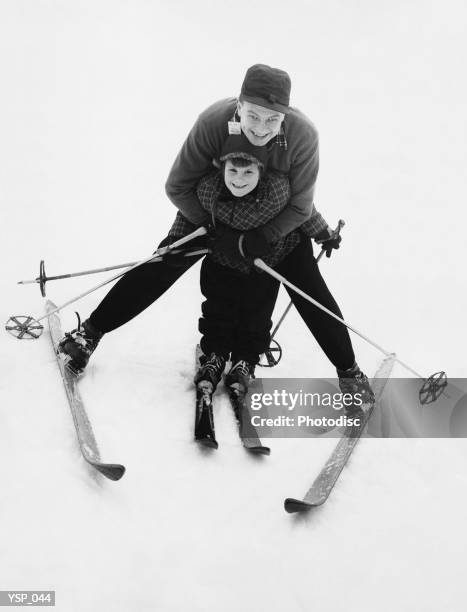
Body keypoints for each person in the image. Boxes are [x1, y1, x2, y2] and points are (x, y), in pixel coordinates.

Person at [58, 63, 374, 407]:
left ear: (285, 115)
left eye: (272, 119)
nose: (262, 128)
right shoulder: (213, 123)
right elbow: (177, 186)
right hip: (212, 212)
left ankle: (349, 371)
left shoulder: (302, 136)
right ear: (240, 105)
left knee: (308, 287)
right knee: (163, 263)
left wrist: (264, 236)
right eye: (254, 116)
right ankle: (91, 332)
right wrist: (214, 228)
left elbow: (301, 206)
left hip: (273, 220)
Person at [191, 133, 331, 395]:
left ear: (261, 170)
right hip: (221, 263)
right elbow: (189, 215)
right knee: (219, 309)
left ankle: (245, 360)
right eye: (232, 170)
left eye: (247, 172)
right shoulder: (208, 190)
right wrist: (177, 242)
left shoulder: (279, 189)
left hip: (263, 265)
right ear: (221, 169)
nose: (238, 179)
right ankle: (215, 355)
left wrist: (323, 232)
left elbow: (303, 209)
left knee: (256, 316)